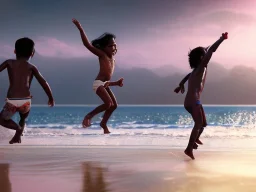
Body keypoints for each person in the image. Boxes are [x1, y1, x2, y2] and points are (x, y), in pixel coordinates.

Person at [174, 32, 228, 160]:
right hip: (194, 102)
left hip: (191, 102)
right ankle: (189, 148)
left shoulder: (195, 71)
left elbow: (188, 76)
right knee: (198, 124)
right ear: (201, 58)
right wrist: (221, 39)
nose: (207, 55)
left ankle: (195, 139)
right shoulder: (202, 67)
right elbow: (212, 50)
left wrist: (181, 84)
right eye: (204, 54)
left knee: (203, 124)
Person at [72, 18, 124, 134]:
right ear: (103, 47)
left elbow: (107, 80)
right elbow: (87, 45)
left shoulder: (113, 60)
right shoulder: (102, 55)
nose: (113, 48)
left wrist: (117, 83)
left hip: (105, 84)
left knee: (114, 105)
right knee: (108, 104)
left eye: (114, 45)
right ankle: (89, 116)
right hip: (98, 84)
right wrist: (80, 29)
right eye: (110, 46)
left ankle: (103, 123)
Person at [0, 37, 54, 144]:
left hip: (13, 101)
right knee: (22, 118)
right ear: (32, 53)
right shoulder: (32, 67)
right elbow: (44, 82)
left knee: (1, 120)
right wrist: (50, 98)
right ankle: (17, 137)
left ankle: (18, 129)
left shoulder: (9, 63)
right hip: (26, 102)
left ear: (15, 51)